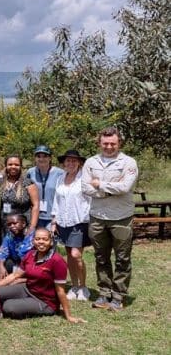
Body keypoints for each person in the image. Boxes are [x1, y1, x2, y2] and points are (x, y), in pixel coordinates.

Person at [82, 126, 138, 311]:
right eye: (105, 143)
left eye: (112, 143)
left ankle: (118, 296)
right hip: (97, 217)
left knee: (122, 258)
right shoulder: (91, 162)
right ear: (99, 143)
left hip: (121, 217)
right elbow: (86, 188)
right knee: (101, 257)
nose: (108, 147)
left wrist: (99, 184)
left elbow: (125, 187)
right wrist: (109, 190)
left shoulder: (129, 162)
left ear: (119, 143)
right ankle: (104, 293)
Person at [0, 228, 85, 323]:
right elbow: (15, 275)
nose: (41, 242)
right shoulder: (30, 255)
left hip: (45, 301)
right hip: (28, 289)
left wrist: (68, 316)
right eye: (37, 239)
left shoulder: (57, 261)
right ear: (33, 241)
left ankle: (12, 304)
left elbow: (60, 291)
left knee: (8, 307)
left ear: (51, 242)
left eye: (45, 239)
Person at [51, 149, 91, 301]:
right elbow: (57, 201)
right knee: (69, 256)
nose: (71, 163)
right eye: (68, 160)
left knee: (76, 255)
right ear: (64, 163)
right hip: (63, 222)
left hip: (79, 221)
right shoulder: (60, 178)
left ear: (79, 163)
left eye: (74, 160)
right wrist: (54, 221)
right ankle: (74, 286)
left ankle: (83, 287)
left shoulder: (84, 179)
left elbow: (91, 199)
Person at [28, 145, 64, 229]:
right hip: (35, 216)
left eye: (45, 156)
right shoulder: (30, 172)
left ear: (50, 158)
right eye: (38, 156)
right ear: (35, 158)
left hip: (52, 217)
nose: (41, 159)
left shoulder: (60, 173)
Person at [0, 154, 39, 229]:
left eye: (16, 165)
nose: (13, 167)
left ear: (21, 166)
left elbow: (35, 206)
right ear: (6, 166)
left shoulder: (28, 183)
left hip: (22, 225)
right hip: (4, 225)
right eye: (10, 164)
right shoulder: (0, 182)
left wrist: (32, 227)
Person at [0, 214, 34, 279]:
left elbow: (23, 253)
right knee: (0, 263)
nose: (12, 226)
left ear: (23, 224)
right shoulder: (9, 236)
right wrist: (1, 267)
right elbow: (1, 253)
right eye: (9, 224)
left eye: (15, 223)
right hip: (17, 263)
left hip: (30, 264)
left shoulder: (32, 235)